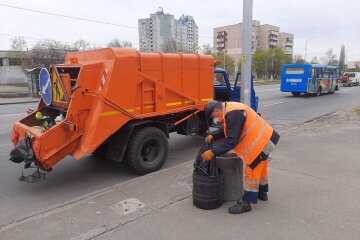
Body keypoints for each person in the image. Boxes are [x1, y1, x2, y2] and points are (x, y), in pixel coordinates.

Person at [201, 100, 280, 214]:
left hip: (261, 143)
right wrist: (213, 135)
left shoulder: (232, 113)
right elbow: (228, 129)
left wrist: (213, 152)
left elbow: (231, 141)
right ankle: (262, 193)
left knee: (251, 171)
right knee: (261, 167)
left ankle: (246, 203)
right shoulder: (230, 109)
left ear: (216, 110)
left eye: (212, 116)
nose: (213, 118)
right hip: (267, 138)